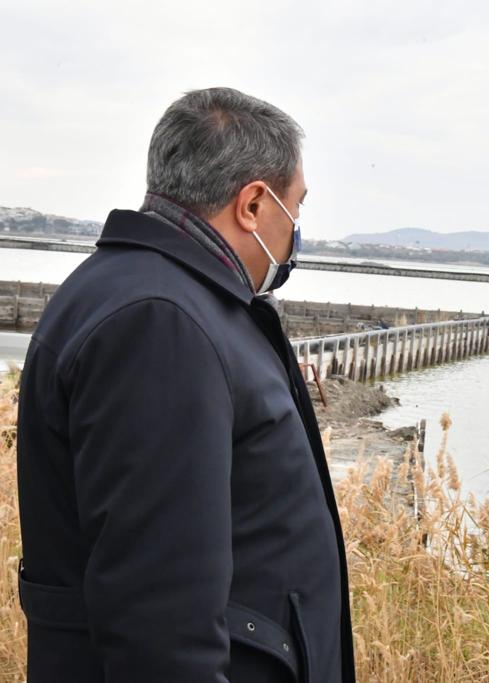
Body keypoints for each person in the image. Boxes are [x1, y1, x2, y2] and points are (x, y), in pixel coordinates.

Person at [16, 87, 356, 682]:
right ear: (253, 204)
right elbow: (159, 618)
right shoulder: (161, 324)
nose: (296, 229)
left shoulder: (151, 295)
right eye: (295, 207)